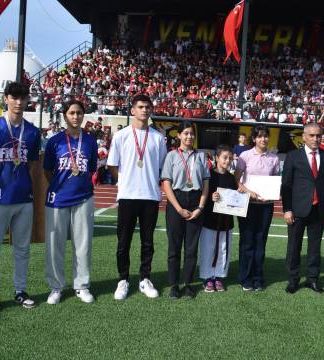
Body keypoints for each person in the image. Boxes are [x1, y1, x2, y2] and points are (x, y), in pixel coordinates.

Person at [0, 82, 41, 313]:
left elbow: (33, 164)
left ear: (27, 101)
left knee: (22, 248)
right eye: (14, 97)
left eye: (22, 98)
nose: (18, 102)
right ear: (6, 99)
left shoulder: (33, 131)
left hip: (24, 198)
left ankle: (20, 290)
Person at [107, 94, 167, 300]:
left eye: (148, 107)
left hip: (150, 196)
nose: (144, 110)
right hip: (127, 196)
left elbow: (161, 167)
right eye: (140, 106)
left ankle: (145, 278)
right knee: (123, 242)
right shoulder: (121, 136)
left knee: (147, 242)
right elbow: (113, 165)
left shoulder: (158, 138)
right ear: (132, 110)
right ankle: (123, 279)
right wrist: (124, 182)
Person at [43, 100, 98, 305]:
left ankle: (81, 285)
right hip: (57, 198)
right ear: (65, 116)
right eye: (72, 113)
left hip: (83, 197)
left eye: (79, 113)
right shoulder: (55, 141)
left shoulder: (90, 141)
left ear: (83, 116)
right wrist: (60, 186)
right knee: (54, 245)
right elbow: (48, 170)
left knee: (83, 245)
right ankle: (56, 286)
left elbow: (90, 168)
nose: (75, 116)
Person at [281, 123, 324, 294]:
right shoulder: (292, 156)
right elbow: (286, 185)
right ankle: (293, 280)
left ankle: (312, 280)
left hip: (319, 210)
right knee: (294, 246)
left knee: (315, 248)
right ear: (303, 137)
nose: (315, 139)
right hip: (297, 210)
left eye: (318, 135)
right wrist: (287, 209)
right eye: (311, 135)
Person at [161, 121, 210, 299]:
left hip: (196, 202)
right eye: (186, 133)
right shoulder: (171, 156)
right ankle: (174, 285)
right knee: (174, 247)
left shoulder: (202, 157)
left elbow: (206, 183)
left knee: (191, 248)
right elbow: (166, 183)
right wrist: (178, 208)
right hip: (177, 202)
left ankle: (188, 284)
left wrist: (201, 207)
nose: (189, 137)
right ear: (179, 135)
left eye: (192, 134)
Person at [234, 125, 280, 291]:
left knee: (261, 241)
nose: (263, 139)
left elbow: (275, 182)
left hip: (266, 206)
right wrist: (248, 191)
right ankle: (245, 277)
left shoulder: (274, 159)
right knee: (247, 242)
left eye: (266, 136)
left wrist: (273, 193)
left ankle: (258, 277)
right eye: (259, 136)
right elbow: (236, 179)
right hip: (247, 205)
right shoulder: (245, 156)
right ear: (254, 139)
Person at [198, 145, 240, 292]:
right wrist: (211, 197)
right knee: (208, 248)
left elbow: (235, 198)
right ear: (217, 158)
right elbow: (201, 194)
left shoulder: (231, 178)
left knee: (223, 249)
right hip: (210, 220)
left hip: (226, 221)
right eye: (224, 157)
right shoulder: (208, 175)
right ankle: (207, 277)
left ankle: (219, 276)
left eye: (229, 158)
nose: (227, 161)